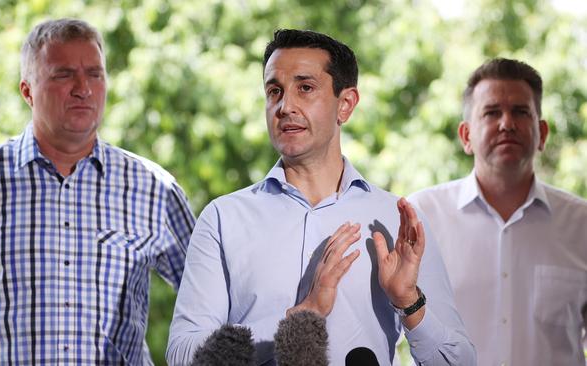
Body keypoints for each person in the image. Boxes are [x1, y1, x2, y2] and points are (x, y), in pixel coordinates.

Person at [166, 29, 475, 366]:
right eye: (274, 91)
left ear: (345, 105)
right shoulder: (223, 218)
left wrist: (409, 301)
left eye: (305, 88)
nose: (285, 107)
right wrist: (300, 317)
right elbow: (183, 354)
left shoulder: (393, 222)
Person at [0, 18, 195, 364]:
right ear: (27, 91)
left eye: (94, 74)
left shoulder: (153, 189)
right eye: (63, 74)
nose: (83, 88)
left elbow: (209, 304)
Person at [408, 58, 587, 365]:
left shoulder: (581, 224)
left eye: (521, 112)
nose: (507, 123)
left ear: (542, 133)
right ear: (466, 136)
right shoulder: (421, 216)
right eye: (491, 113)